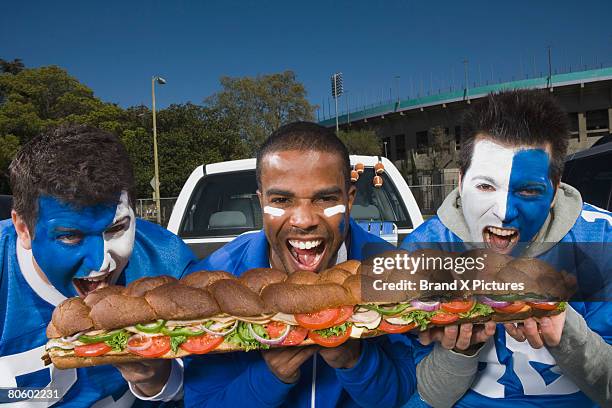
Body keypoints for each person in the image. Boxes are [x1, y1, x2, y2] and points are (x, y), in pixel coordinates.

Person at [178, 122, 419, 408]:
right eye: (281, 200)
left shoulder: (391, 270)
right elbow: (201, 402)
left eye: (325, 198)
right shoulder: (216, 280)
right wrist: (268, 377)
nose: (304, 221)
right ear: (261, 202)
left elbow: (407, 394)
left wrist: (355, 360)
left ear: (349, 199)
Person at [401, 89, 612, 407]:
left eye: (527, 190)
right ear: (461, 182)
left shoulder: (600, 241)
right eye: (485, 186)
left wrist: (566, 333)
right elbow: (429, 394)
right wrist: (459, 352)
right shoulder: (426, 248)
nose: (503, 212)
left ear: (554, 192)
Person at [0, 124, 198, 406]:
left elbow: (210, 386)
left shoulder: (167, 262)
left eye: (117, 228)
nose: (101, 262)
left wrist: (159, 378)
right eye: (70, 236)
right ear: (23, 228)